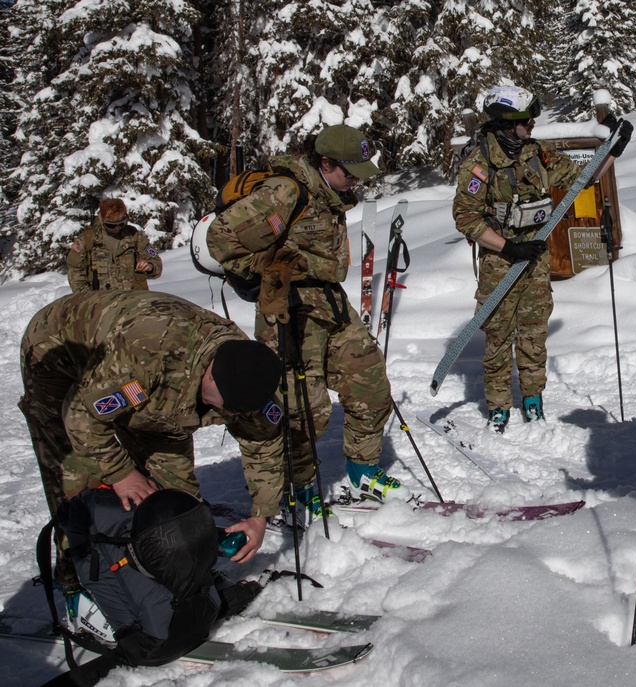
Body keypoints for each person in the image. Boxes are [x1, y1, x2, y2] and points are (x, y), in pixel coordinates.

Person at [19, 290, 286, 588]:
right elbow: (81, 417)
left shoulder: (250, 375)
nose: (226, 414)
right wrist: (122, 474)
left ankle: (183, 570)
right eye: (224, 407)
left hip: (153, 387)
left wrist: (261, 515)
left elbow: (264, 442)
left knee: (180, 494)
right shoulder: (147, 354)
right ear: (210, 376)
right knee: (80, 481)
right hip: (59, 351)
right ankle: (81, 582)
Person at [206, 124, 411, 510]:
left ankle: (363, 471)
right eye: (349, 173)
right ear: (326, 161)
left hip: (330, 303)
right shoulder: (284, 192)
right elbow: (219, 240)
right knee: (303, 409)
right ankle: (297, 488)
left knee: (370, 383)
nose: (355, 182)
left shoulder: (328, 191)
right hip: (289, 310)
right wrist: (271, 265)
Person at [452, 85, 632, 432]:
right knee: (499, 336)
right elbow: (466, 219)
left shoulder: (538, 154)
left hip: (536, 258)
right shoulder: (479, 164)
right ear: (507, 123)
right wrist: (507, 247)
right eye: (525, 120)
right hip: (500, 261)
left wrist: (614, 150)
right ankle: (499, 406)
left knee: (534, 333)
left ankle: (533, 399)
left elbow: (585, 178)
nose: (532, 125)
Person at [66, 198, 163, 292]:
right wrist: (88, 297)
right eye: (111, 225)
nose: (117, 228)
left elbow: (156, 262)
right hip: (103, 303)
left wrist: (150, 267)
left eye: (121, 224)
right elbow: (74, 271)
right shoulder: (86, 240)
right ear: (102, 219)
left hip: (133, 301)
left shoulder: (135, 236)